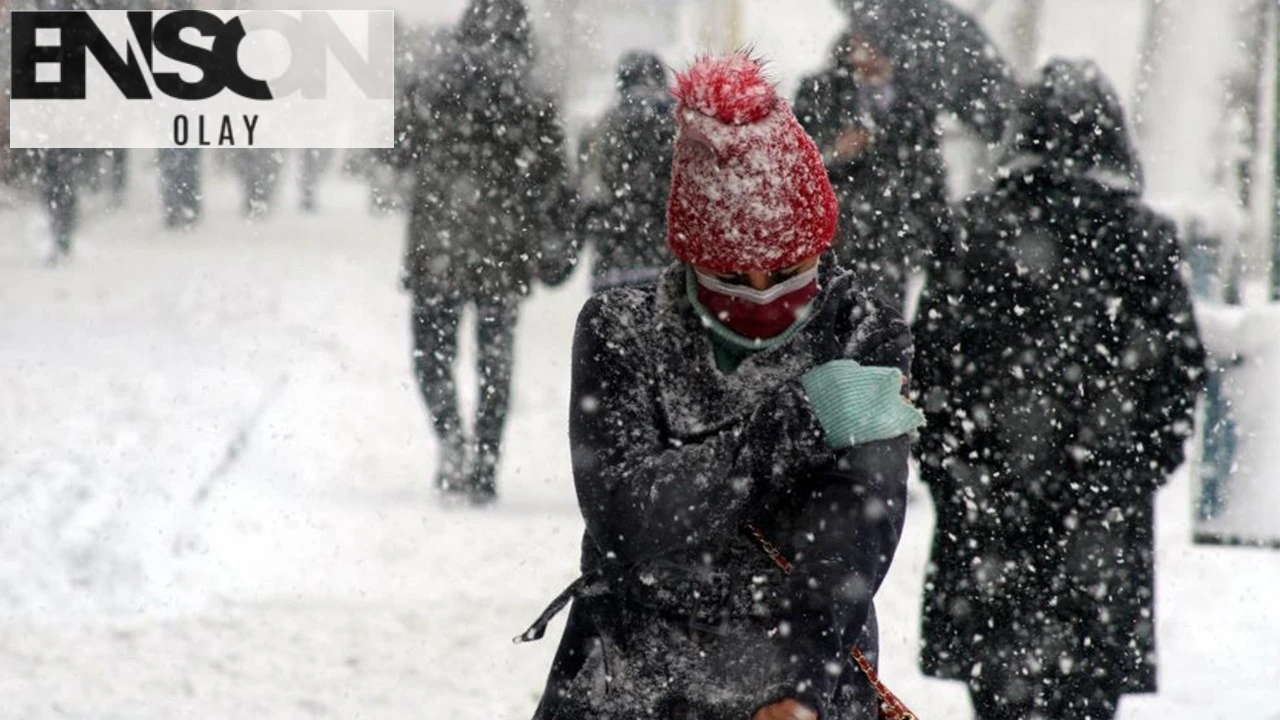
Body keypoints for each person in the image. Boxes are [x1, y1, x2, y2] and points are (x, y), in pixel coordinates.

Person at [522, 53, 924, 720]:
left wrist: (798, 683)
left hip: (801, 678)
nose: (764, 295)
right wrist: (797, 422)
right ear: (690, 257)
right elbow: (628, 515)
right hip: (632, 677)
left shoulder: (864, 331)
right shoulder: (621, 329)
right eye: (734, 276)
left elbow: (856, 523)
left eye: (791, 269)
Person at [911, 59, 1205, 720]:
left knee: (998, 694)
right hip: (1099, 518)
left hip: (988, 509)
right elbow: (1179, 370)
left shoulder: (972, 229)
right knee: (1086, 695)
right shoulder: (1141, 237)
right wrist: (1130, 469)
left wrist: (955, 471)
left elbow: (927, 369)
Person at [397, 0, 573, 504]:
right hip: (503, 244)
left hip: (438, 242)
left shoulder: (432, 84)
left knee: (432, 353)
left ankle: (451, 439)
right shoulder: (531, 95)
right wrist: (556, 241)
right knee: (494, 360)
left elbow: (395, 150)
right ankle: (486, 464)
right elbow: (554, 180)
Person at [795, 0, 1015, 308]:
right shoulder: (818, 91)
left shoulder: (915, 107)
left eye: (873, 44)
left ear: (895, 48)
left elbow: (929, 186)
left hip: (888, 257)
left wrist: (942, 253)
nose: (863, 53)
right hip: (829, 252)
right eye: (858, 39)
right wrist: (832, 152)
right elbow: (791, 169)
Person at [575, 51, 676, 292]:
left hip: (613, 265)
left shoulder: (600, 129)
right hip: (670, 268)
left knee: (614, 326)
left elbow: (587, 194)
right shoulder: (682, 126)